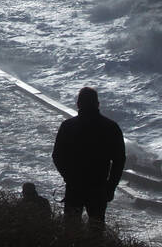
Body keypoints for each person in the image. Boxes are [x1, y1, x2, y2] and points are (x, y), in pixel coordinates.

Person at [52, 87, 126, 228]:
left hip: (74, 186)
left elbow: (57, 156)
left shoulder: (68, 126)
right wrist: (111, 186)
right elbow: (119, 160)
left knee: (70, 231)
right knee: (96, 232)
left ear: (78, 104)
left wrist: (68, 176)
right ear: (97, 104)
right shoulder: (111, 127)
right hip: (99, 187)